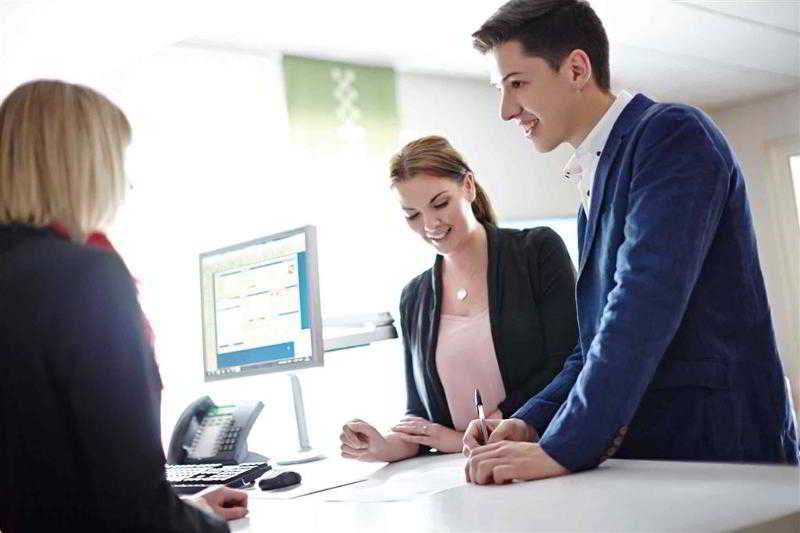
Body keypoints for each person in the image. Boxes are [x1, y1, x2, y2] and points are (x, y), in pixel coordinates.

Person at [462, 0, 799, 485]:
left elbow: (641, 303)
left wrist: (564, 445)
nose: (505, 110)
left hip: (720, 451)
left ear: (576, 69)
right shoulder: (594, 182)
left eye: (517, 84)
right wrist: (531, 421)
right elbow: (593, 344)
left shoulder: (671, 133)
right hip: (654, 460)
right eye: (501, 90)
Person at [0, 80, 248, 532]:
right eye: (116, 162)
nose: (125, 183)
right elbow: (136, 510)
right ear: (84, 169)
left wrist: (187, 507)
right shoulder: (82, 276)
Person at [339, 135, 577, 462]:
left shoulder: (536, 251)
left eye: (440, 204)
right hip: (460, 468)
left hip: (542, 452)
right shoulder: (414, 297)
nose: (430, 224)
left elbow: (568, 362)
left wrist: (473, 434)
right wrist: (383, 445)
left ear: (468, 186)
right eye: (412, 215)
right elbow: (420, 416)